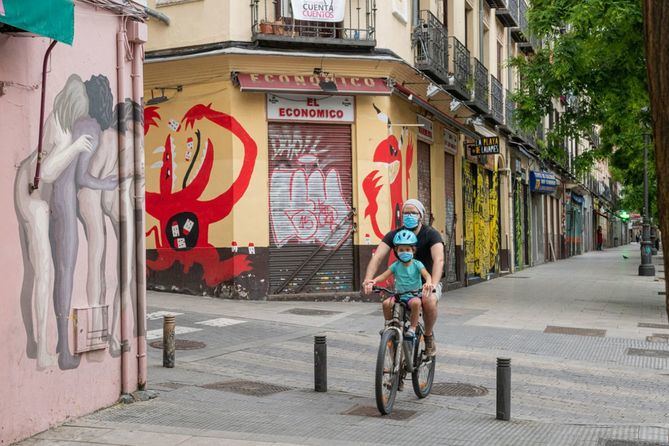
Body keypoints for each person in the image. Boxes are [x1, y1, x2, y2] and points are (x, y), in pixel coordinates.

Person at [363, 199, 444, 356]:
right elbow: (378, 256)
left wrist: (432, 284)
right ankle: (392, 342)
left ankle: (428, 336)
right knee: (390, 305)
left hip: (426, 282)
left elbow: (439, 260)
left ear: (420, 215)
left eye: (413, 212)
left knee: (428, 300)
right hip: (403, 286)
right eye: (406, 212)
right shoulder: (395, 235)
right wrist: (368, 279)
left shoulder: (431, 234)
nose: (409, 215)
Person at [370, 229, 432, 340]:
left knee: (417, 303)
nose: (405, 252)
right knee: (386, 304)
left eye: (408, 249)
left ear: (413, 250)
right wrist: (374, 281)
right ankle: (389, 325)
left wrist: (428, 282)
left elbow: (427, 275)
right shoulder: (396, 265)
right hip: (398, 296)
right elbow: (384, 275)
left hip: (413, 296)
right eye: (401, 250)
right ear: (396, 251)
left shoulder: (417, 264)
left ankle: (413, 328)